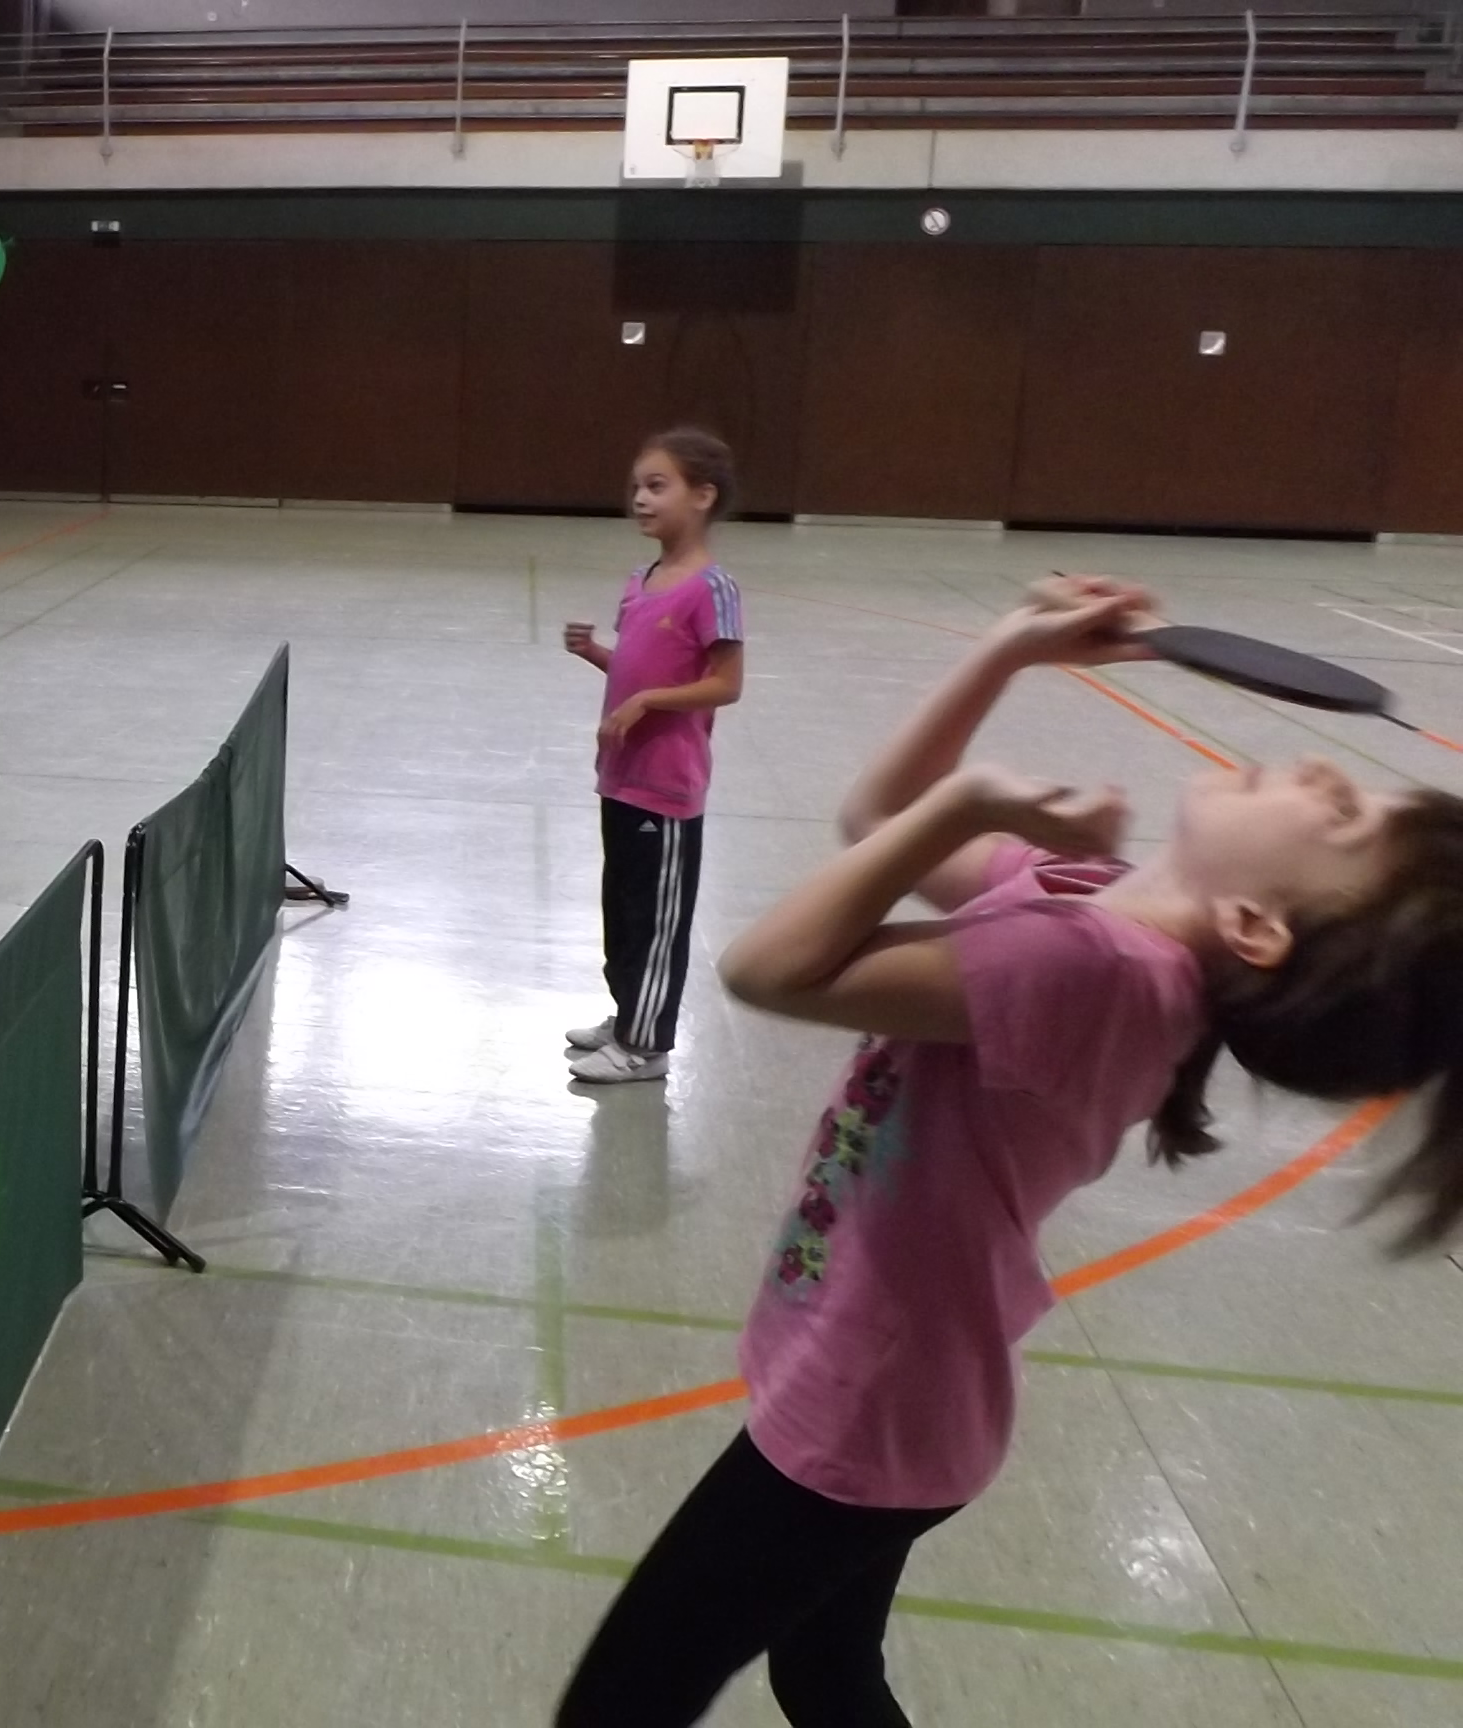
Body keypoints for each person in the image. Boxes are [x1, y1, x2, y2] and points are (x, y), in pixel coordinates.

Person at [554, 576, 1463, 1727]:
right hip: (903, 1387)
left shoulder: (1095, 974)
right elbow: (879, 818)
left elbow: (766, 970)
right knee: (824, 1674)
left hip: (868, 1399)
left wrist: (972, 801)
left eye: (1343, 817)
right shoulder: (1102, 908)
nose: (1328, 772)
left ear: (1255, 926)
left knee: (621, 1705)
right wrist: (1010, 652)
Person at [562, 428, 748, 1085]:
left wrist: (646, 703)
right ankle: (628, 1017)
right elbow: (638, 670)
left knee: (656, 919)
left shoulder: (713, 589)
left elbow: (726, 684)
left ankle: (648, 1046)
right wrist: (597, 655)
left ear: (703, 495)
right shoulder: (639, 581)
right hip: (620, 778)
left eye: (657, 486)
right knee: (622, 910)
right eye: (637, 487)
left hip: (667, 789)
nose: (640, 498)